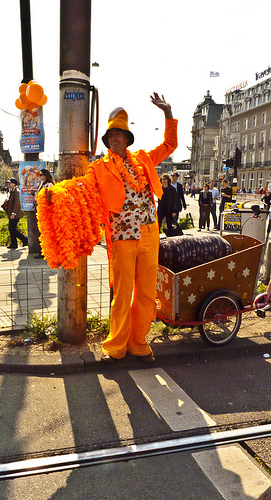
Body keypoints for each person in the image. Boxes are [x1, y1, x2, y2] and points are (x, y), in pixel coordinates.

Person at [83, 93, 178, 362]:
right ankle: (116, 346)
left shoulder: (144, 159)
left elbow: (170, 143)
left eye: (119, 134)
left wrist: (168, 114)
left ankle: (138, 343)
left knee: (147, 293)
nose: (114, 138)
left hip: (149, 233)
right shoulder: (99, 167)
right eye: (111, 135)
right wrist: (57, 193)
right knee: (122, 294)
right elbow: (84, 186)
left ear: (127, 138)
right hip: (122, 235)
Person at [34, 169, 55, 258]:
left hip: (46, 210)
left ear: (46, 175)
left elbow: (50, 197)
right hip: (40, 210)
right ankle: (42, 251)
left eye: (41, 175)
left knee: (44, 231)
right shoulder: (42, 184)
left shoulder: (49, 185)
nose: (40, 176)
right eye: (39, 175)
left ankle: (44, 252)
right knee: (41, 231)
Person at [4, 178, 28, 249]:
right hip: (12, 212)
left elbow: (17, 203)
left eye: (10, 183)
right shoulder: (12, 191)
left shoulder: (16, 191)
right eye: (8, 183)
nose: (9, 185)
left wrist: (13, 213)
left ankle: (25, 239)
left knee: (12, 229)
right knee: (12, 228)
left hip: (16, 213)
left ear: (14, 184)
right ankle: (14, 243)